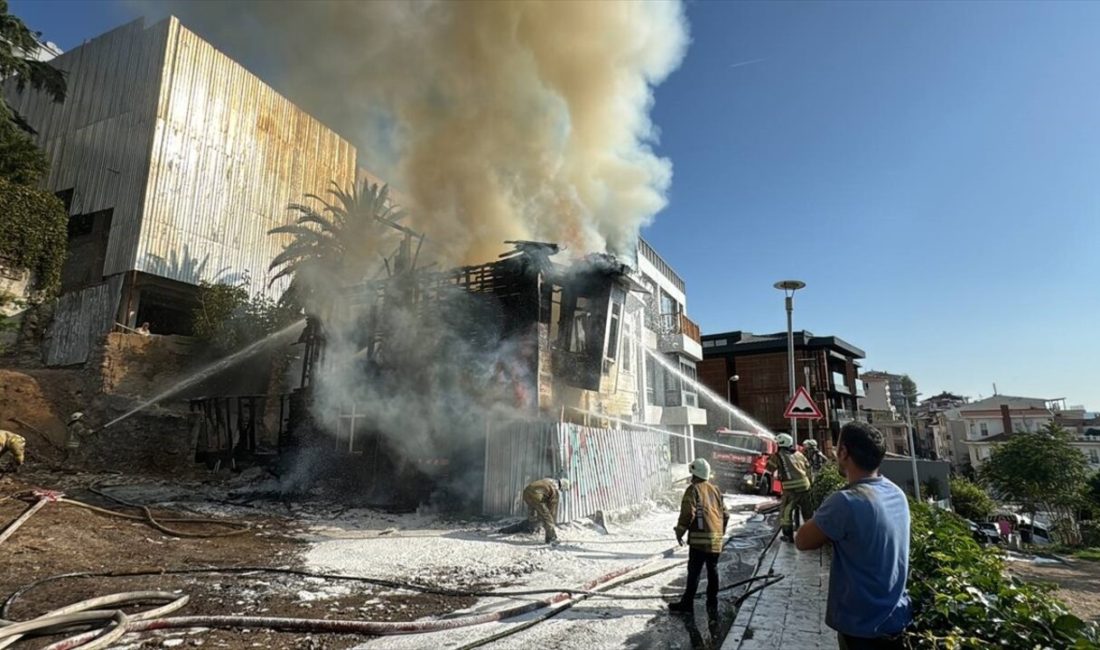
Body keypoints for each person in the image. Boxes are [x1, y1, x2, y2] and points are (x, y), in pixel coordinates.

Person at [795, 421, 911, 649]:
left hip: (863, 627)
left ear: (844, 452)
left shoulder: (846, 501)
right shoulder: (896, 493)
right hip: (897, 618)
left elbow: (802, 540)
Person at [668, 458, 728, 617]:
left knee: (694, 571)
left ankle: (687, 603)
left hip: (699, 540)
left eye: (691, 473)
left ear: (695, 474)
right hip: (716, 539)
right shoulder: (716, 490)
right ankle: (712, 603)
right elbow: (726, 514)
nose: (690, 477)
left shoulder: (693, 489)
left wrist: (680, 531)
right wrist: (721, 533)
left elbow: (688, 513)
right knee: (712, 570)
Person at [498, 477, 571, 544]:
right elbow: (551, 509)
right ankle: (551, 538)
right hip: (536, 497)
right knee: (548, 518)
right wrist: (549, 520)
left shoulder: (548, 480)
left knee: (533, 518)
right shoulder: (555, 490)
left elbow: (542, 492)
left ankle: (516, 529)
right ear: (563, 487)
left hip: (526, 493)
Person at [768, 433, 811, 542]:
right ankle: (812, 534)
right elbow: (808, 467)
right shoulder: (799, 454)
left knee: (786, 513)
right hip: (805, 486)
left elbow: (769, 469)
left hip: (791, 489)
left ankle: (788, 535)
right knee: (807, 512)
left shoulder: (777, 456)